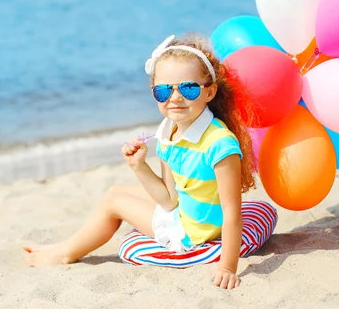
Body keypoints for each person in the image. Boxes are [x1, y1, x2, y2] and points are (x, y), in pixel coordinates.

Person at [23, 34, 257, 290]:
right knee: (116, 192)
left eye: (188, 88)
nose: (175, 97)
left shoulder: (220, 144)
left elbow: (233, 212)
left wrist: (227, 267)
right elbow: (170, 198)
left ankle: (65, 253)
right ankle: (63, 246)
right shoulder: (169, 133)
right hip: (184, 209)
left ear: (210, 91)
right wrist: (139, 166)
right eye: (164, 90)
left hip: (194, 232)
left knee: (115, 202)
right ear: (154, 92)